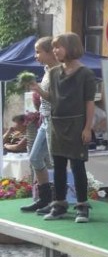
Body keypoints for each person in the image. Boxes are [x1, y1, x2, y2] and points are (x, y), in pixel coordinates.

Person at [29, 33, 96, 223]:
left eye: (59, 47)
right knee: (58, 166)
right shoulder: (53, 72)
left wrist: (87, 128)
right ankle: (59, 204)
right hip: (56, 124)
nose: (55, 50)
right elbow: (52, 98)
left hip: (76, 124)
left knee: (77, 166)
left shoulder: (85, 74)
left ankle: (82, 206)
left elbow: (89, 102)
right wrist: (37, 89)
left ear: (71, 48)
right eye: (54, 47)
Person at [21, 38, 58, 213]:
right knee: (35, 158)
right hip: (44, 120)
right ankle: (45, 199)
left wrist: (38, 90)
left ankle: (57, 201)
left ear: (50, 52)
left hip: (54, 120)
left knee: (56, 161)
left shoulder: (58, 71)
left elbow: (56, 98)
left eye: (38, 52)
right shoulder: (46, 70)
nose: (36, 56)